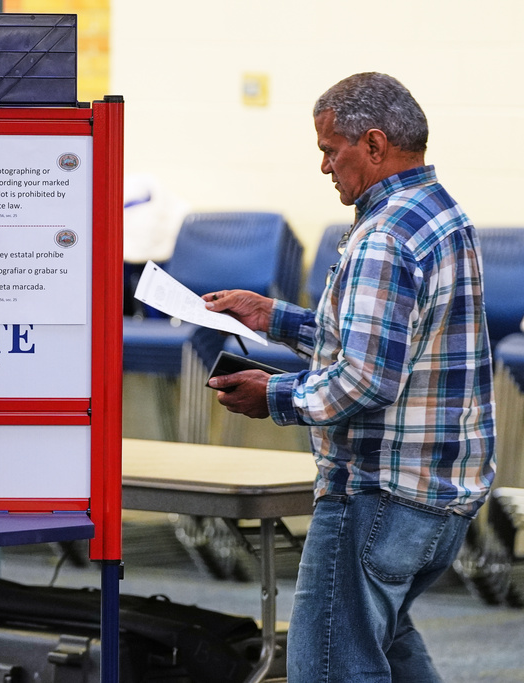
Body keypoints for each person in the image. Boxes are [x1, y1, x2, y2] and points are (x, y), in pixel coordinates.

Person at [203, 72, 495, 682]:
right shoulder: (441, 213)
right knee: (384, 647)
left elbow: (363, 381)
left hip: (378, 497)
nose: (325, 167)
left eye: (329, 150)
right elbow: (390, 347)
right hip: (441, 498)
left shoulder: (383, 237)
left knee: (331, 667)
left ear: (374, 143)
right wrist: (274, 317)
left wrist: (271, 396)